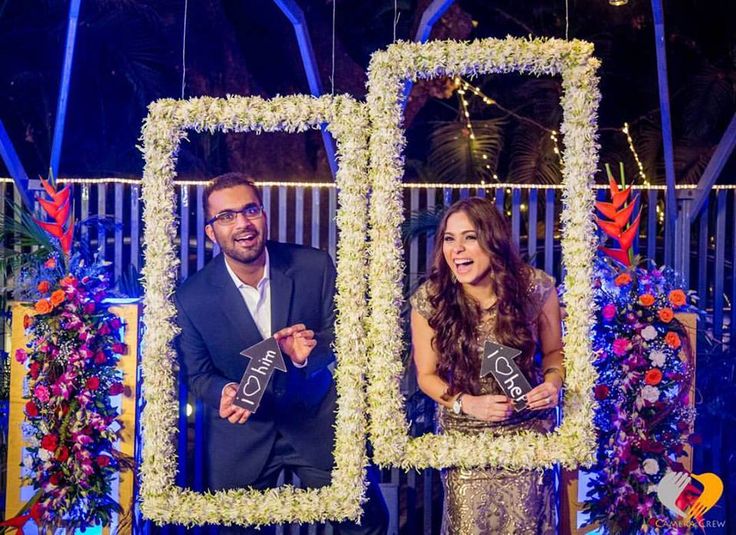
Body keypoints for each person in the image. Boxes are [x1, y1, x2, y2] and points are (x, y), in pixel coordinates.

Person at [174, 173, 388, 535]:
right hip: (242, 437)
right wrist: (222, 391)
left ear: (263, 214)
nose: (242, 223)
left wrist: (307, 353)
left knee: (368, 525)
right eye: (226, 216)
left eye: (250, 210)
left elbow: (346, 334)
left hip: (318, 423)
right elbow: (197, 375)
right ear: (211, 232)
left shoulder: (313, 267)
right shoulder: (191, 297)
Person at [410, 196, 565, 534]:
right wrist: (467, 404)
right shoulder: (430, 298)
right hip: (465, 442)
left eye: (469, 237)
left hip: (527, 438)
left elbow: (555, 353)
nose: (457, 249)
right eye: (449, 239)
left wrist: (552, 384)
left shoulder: (536, 288)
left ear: (493, 241)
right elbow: (425, 376)